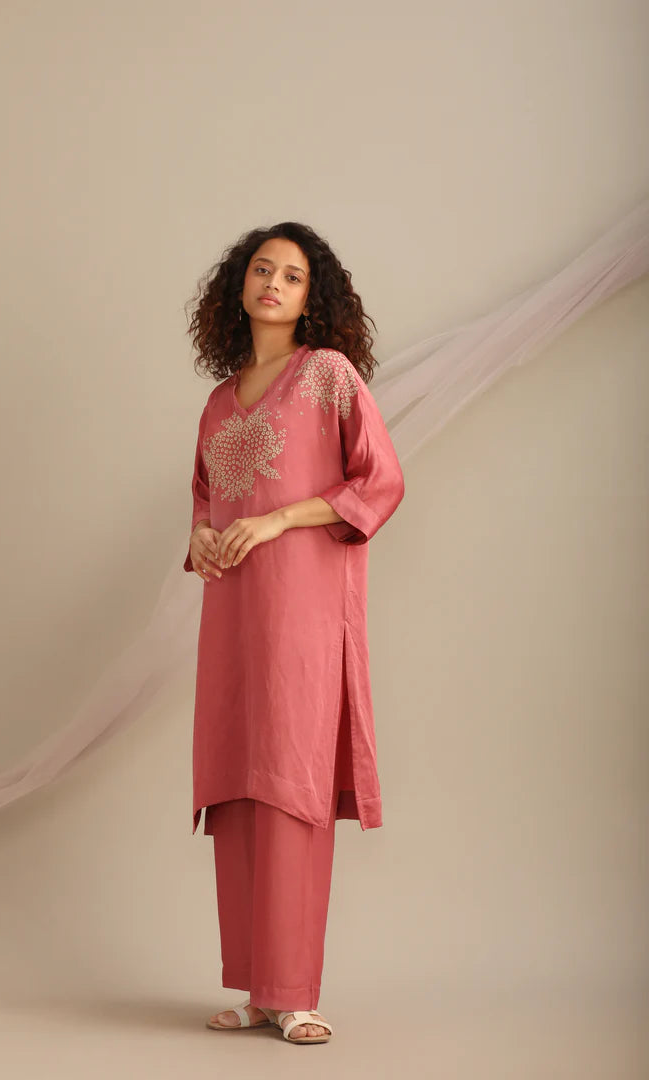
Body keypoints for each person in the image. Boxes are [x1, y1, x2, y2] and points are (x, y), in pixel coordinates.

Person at [182, 221, 405, 1044]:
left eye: (293, 275)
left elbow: (380, 480)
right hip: (233, 615)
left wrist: (278, 520)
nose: (273, 284)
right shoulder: (219, 401)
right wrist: (202, 535)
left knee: (291, 781)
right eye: (261, 269)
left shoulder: (328, 376)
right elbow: (205, 496)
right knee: (239, 783)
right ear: (238, 286)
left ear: (314, 297)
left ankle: (295, 992)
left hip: (302, 610)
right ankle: (255, 989)